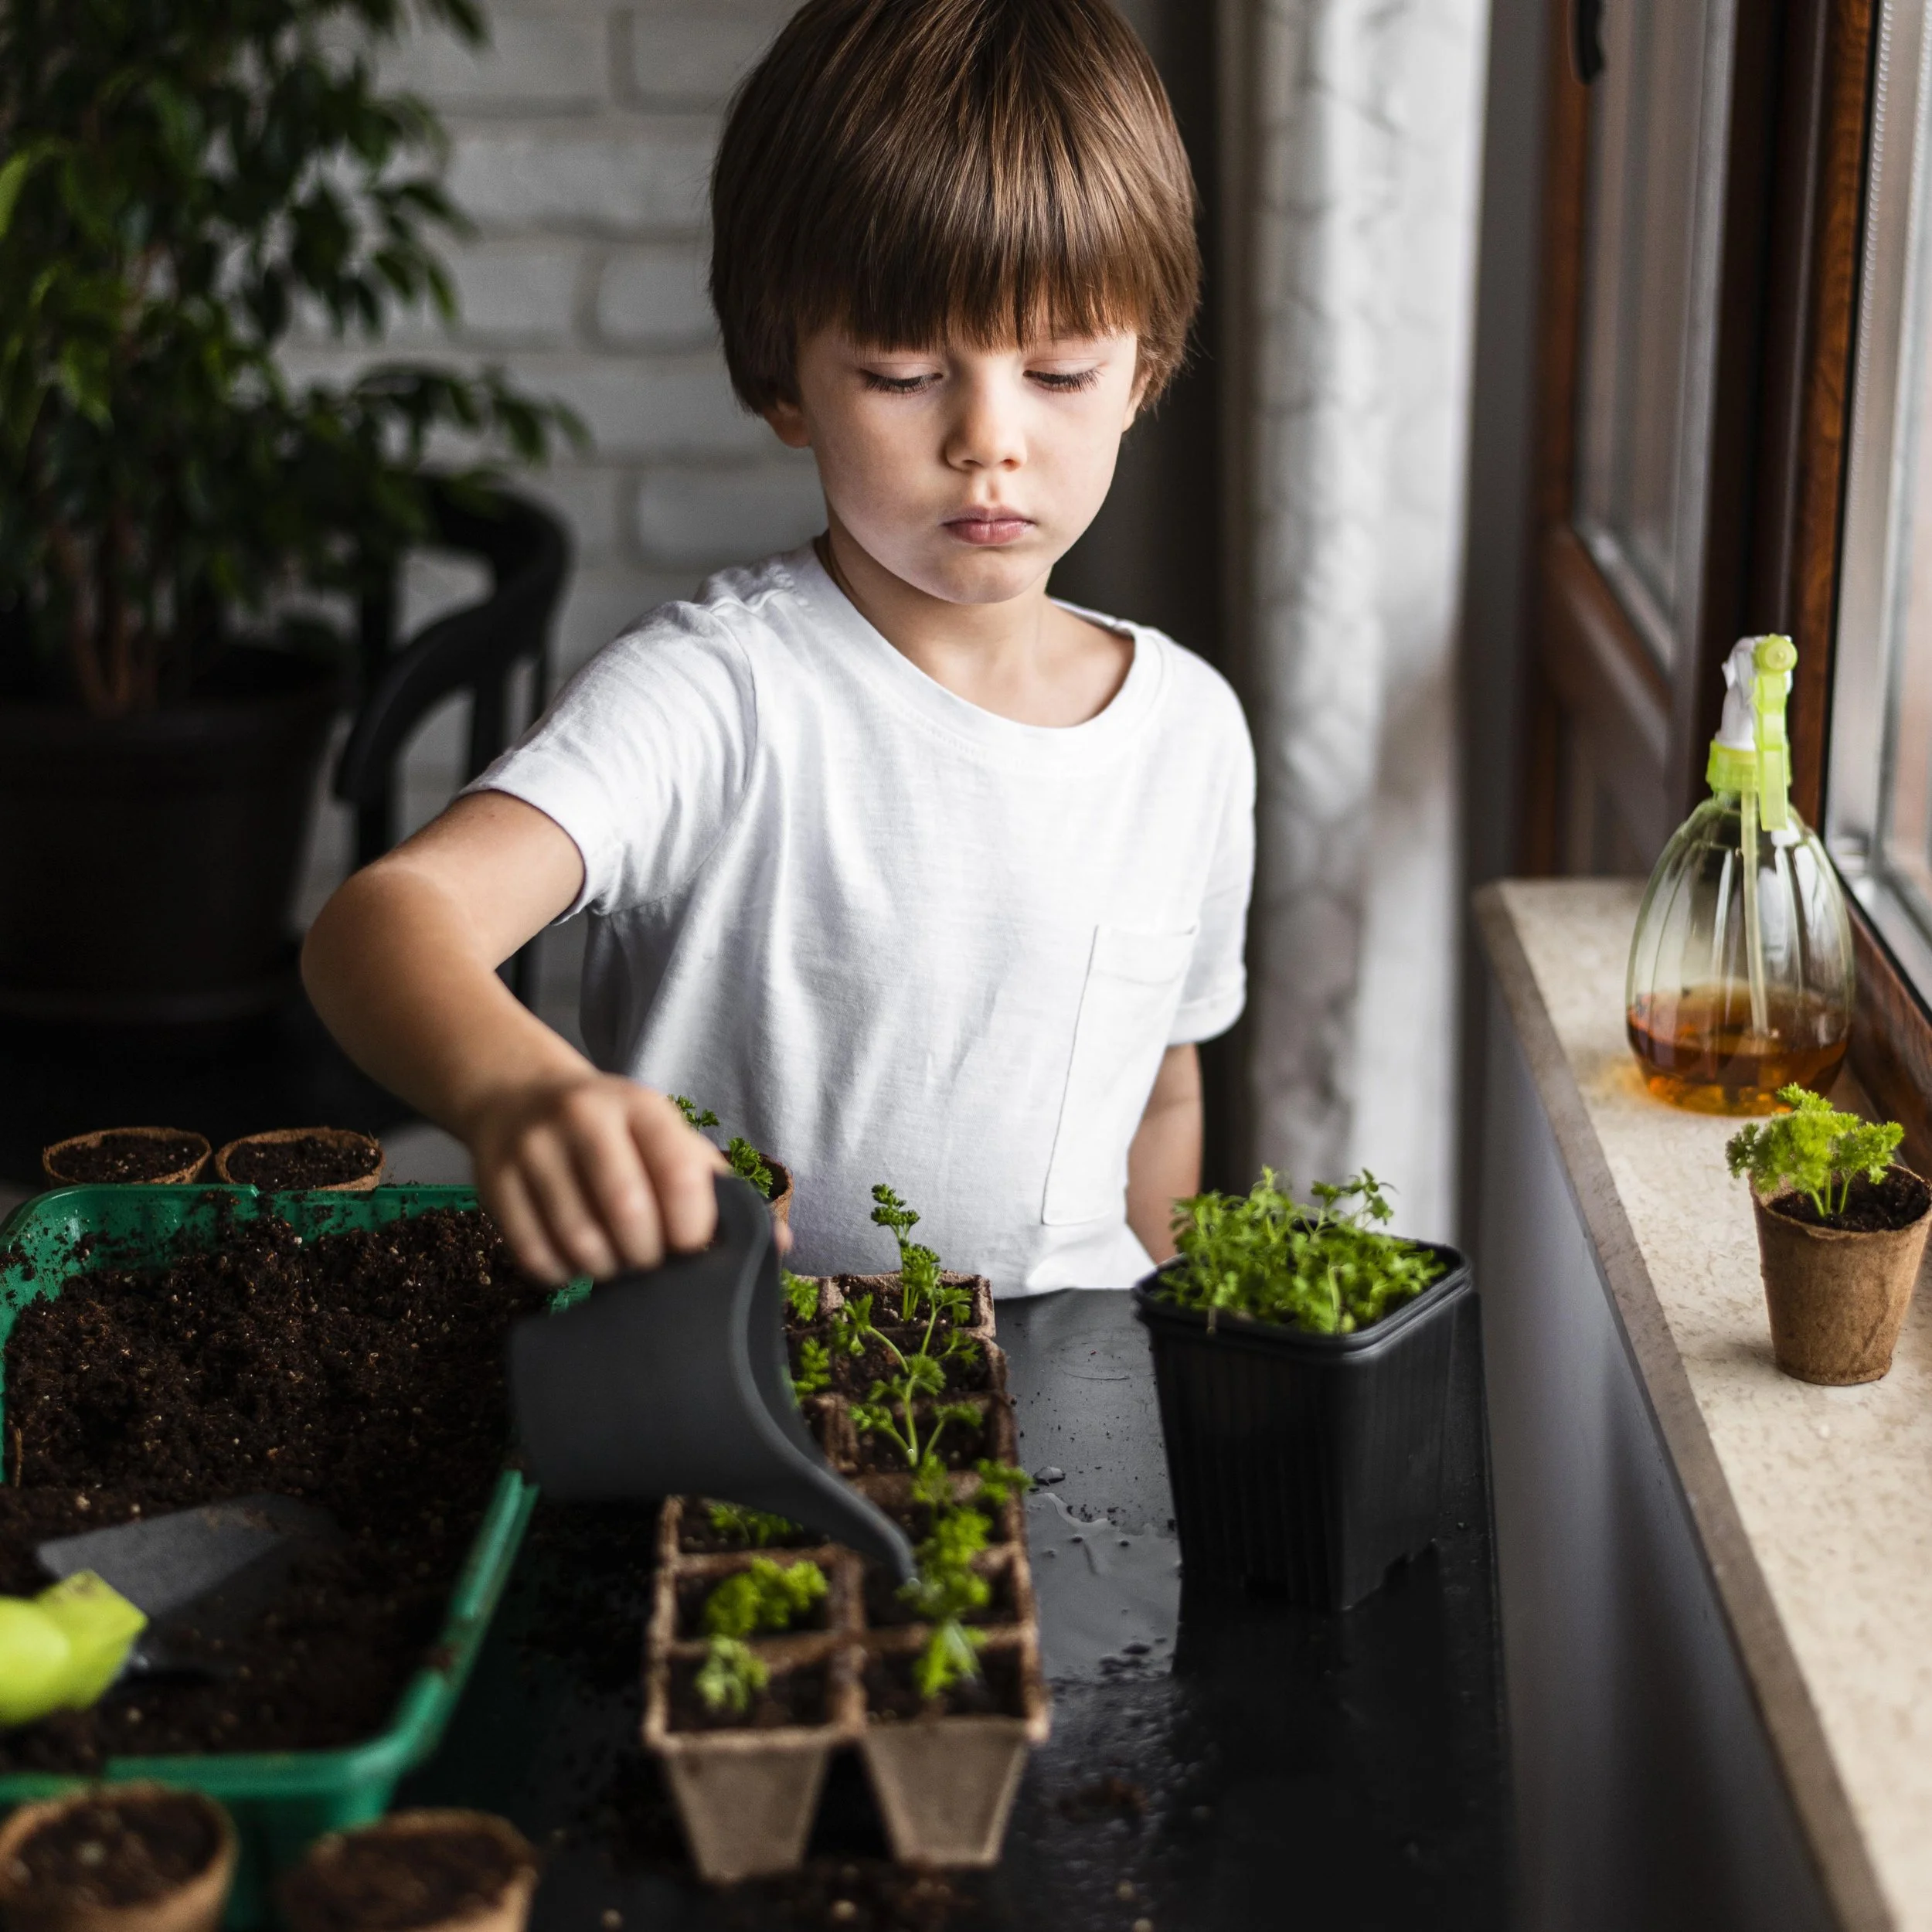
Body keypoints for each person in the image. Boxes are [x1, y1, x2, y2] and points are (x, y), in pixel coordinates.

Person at [301, 0, 1255, 1298]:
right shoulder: (717, 697)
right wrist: (522, 1092)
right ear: (783, 381)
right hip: (738, 1397)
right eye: (906, 374)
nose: (990, 438)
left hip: (1073, 1429)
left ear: (1145, 370)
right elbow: (383, 923)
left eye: (1061, 372)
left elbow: (1161, 1094)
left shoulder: (1192, 733)